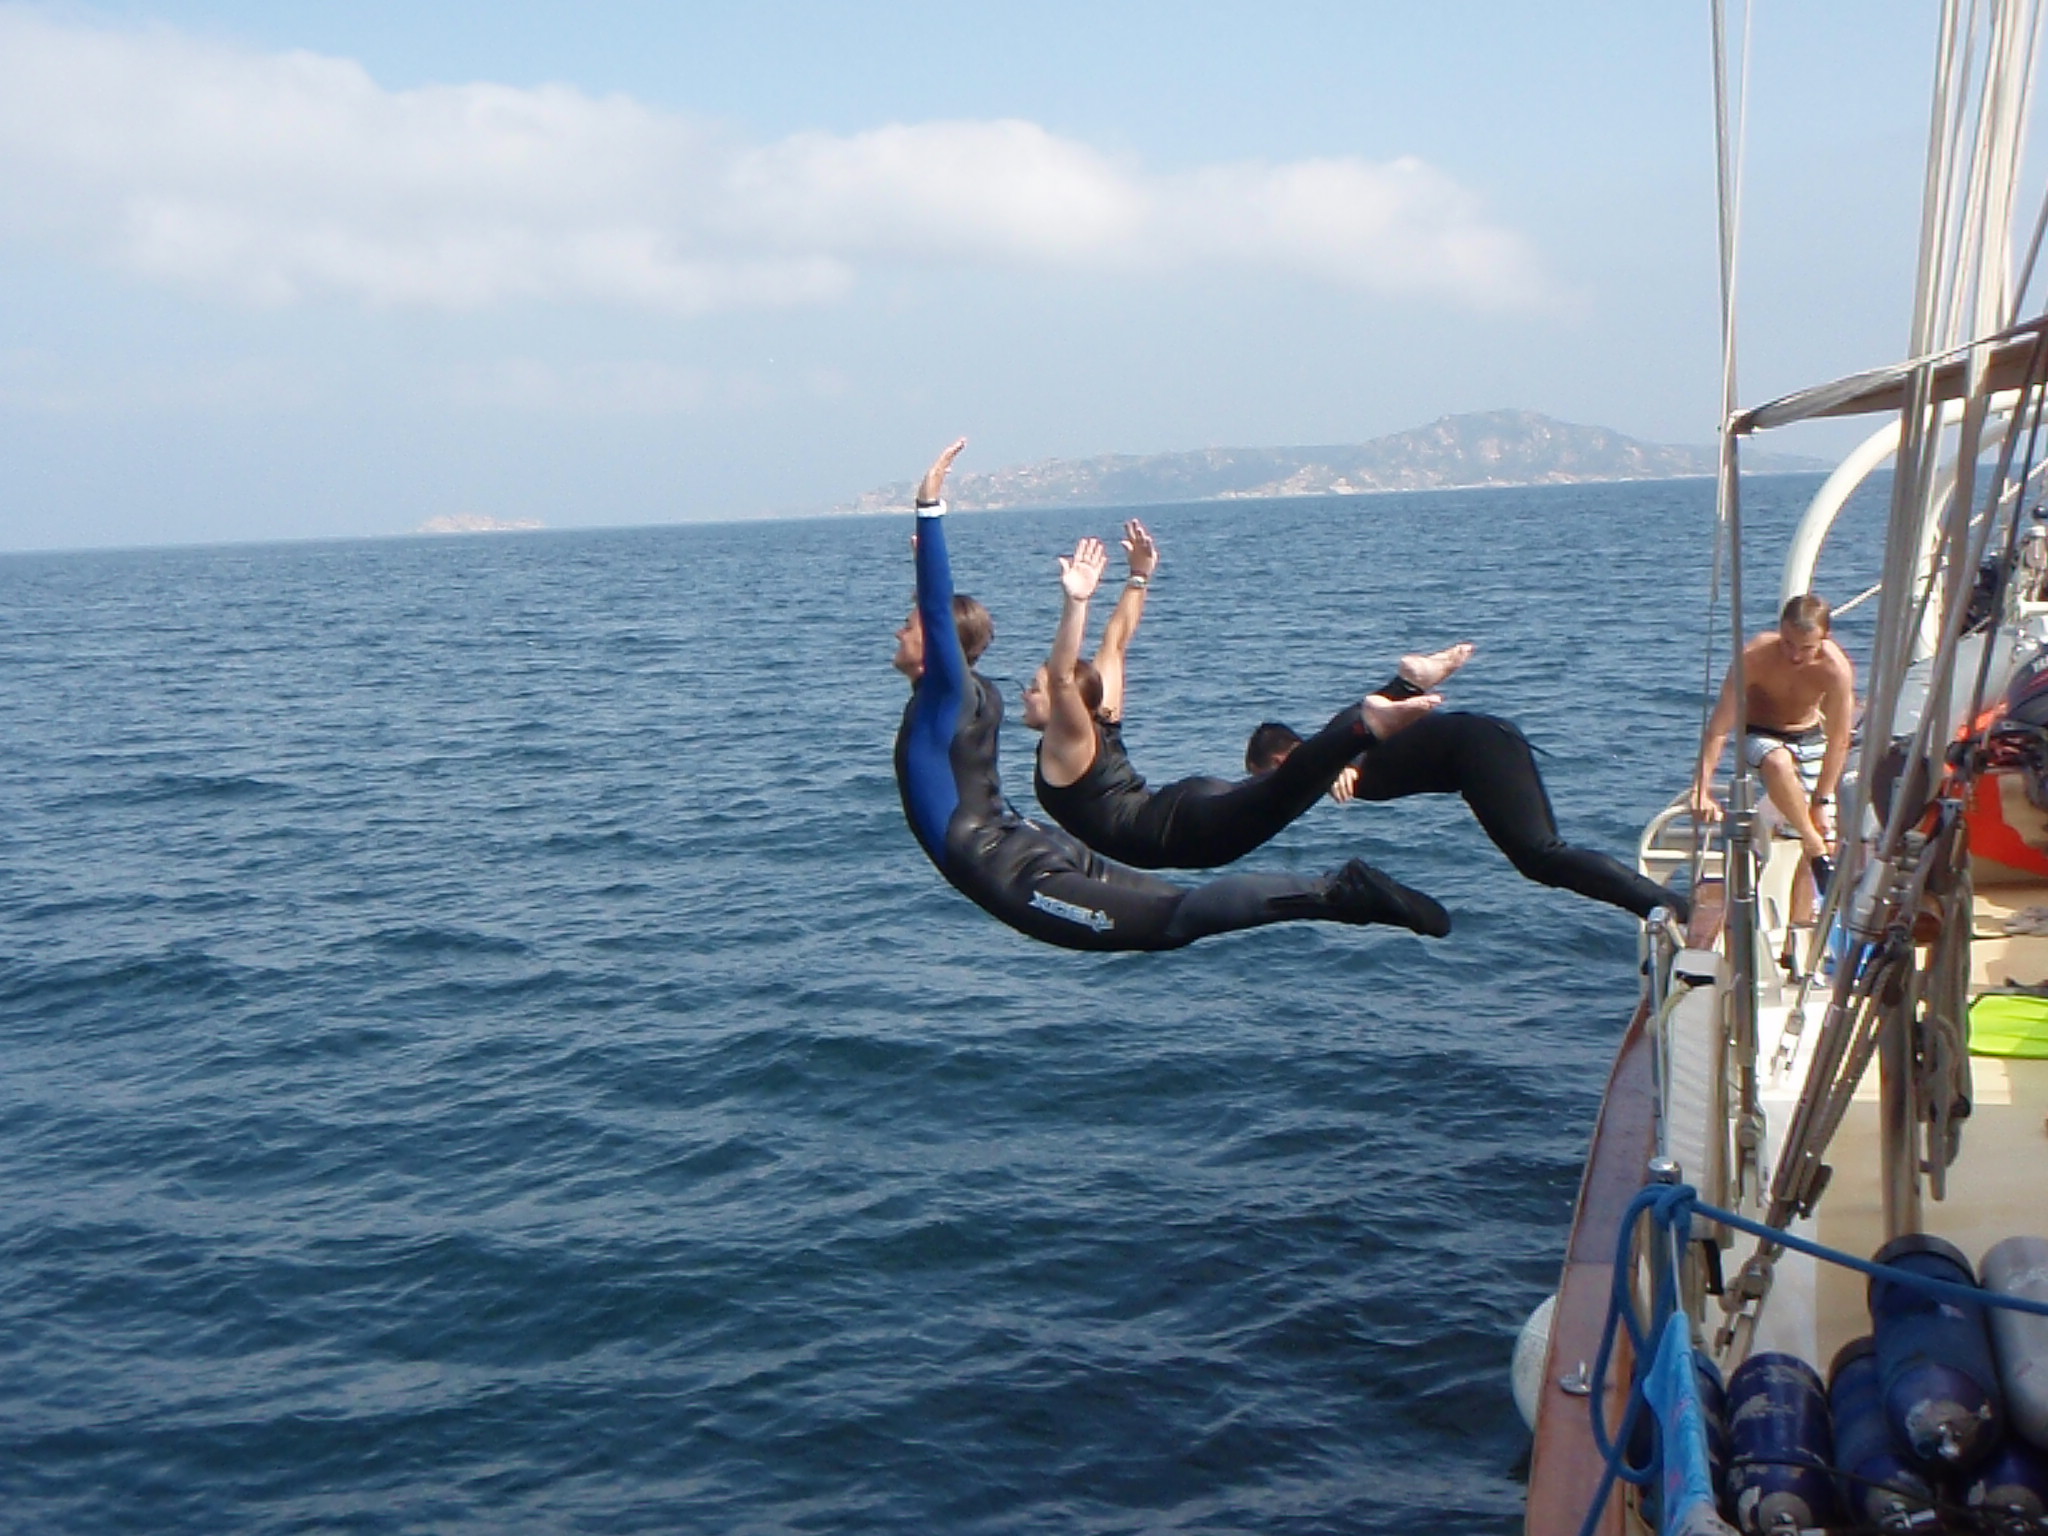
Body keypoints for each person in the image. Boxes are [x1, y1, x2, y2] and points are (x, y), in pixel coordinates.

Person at [892, 439, 1450, 951]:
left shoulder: (956, 695)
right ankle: (1388, 708)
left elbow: (955, 619)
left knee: (1175, 919)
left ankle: (1340, 887)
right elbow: (1111, 643)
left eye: (910, 625)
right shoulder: (982, 695)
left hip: (1011, 867)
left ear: (938, 646)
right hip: (1041, 839)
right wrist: (1137, 578)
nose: (898, 631)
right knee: (1189, 896)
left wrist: (929, 507)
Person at [1023, 521, 1470, 870]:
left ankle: (1367, 726)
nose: (1026, 693)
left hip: (1178, 832)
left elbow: (1062, 677)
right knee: (1289, 783)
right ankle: (1403, 687)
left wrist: (1077, 601)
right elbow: (1115, 642)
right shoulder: (1103, 717)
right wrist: (1139, 575)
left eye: (1035, 688)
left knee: (1290, 788)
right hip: (1188, 804)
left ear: (1067, 706)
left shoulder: (1069, 741)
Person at [1245, 713, 1687, 922]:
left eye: (1268, 780)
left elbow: (1362, 717)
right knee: (1540, 861)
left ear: (1283, 762)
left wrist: (1345, 763)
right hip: (1485, 745)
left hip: (1480, 747)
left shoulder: (1333, 745)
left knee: (1542, 855)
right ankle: (1657, 907)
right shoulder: (1326, 754)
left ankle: (1668, 906)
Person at [1688, 593, 1856, 924]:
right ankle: (1814, 844)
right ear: (1780, 630)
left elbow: (1839, 739)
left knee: (1819, 835)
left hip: (1810, 738)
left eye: (1806, 648)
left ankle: (1798, 932)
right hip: (1759, 735)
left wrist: (1821, 800)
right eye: (1788, 643)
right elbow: (1719, 730)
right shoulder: (1754, 658)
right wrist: (1701, 788)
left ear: (1825, 637)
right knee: (1778, 763)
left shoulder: (1836, 670)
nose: (1794, 655)